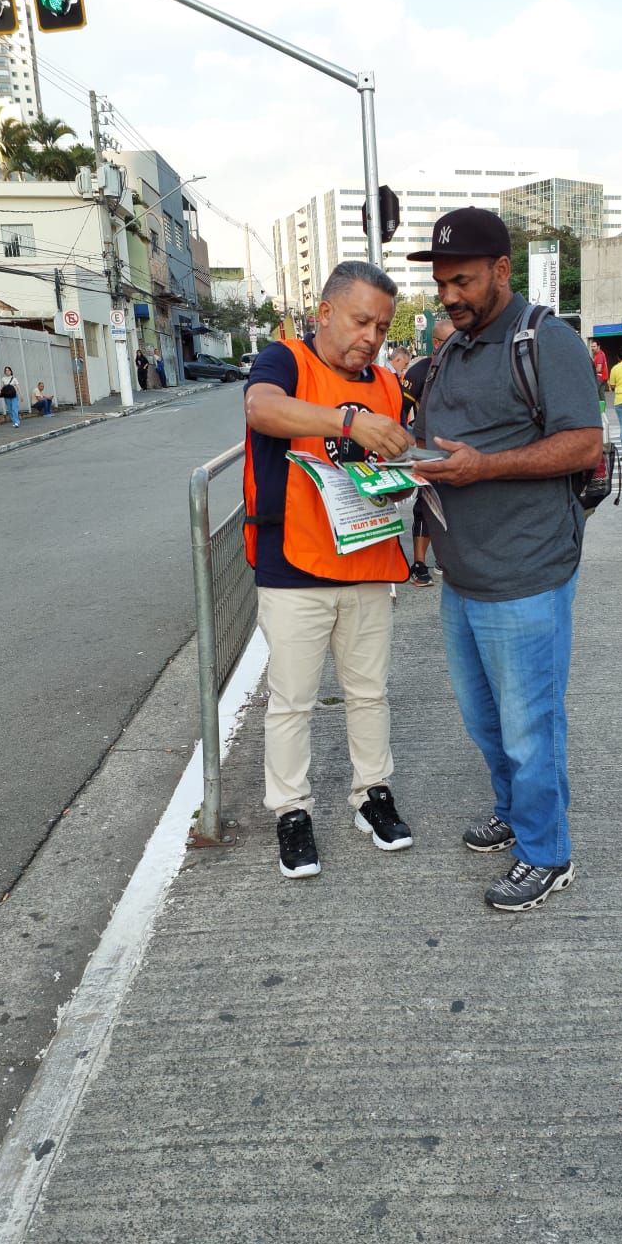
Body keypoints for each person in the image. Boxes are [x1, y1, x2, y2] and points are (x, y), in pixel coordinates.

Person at [410, 208, 602, 913]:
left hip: (525, 571)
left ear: (500, 270)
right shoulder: (453, 349)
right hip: (462, 573)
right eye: (441, 284)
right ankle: (513, 811)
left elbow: (583, 444)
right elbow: (435, 438)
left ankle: (547, 853)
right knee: (485, 721)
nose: (449, 297)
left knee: (529, 725)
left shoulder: (546, 340)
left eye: (461, 281)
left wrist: (482, 467)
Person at [243, 260, 415, 880]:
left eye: (383, 327)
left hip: (367, 559)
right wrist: (347, 420)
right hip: (294, 562)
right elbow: (263, 410)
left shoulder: (388, 384)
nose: (372, 337)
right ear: (325, 313)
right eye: (361, 321)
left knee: (369, 692)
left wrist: (400, 479)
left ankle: (373, 794)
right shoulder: (286, 361)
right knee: (293, 699)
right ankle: (291, 810)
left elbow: (391, 467)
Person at [399, 316, 456, 585]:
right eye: (451, 340)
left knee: (456, 505)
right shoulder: (420, 371)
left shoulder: (465, 366)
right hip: (426, 447)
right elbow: (398, 410)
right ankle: (419, 564)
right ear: (435, 342)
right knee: (425, 505)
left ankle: (446, 558)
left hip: (459, 449)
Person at [589, 338, 609, 412]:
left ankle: (595, 410)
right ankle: (602, 411)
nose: (592, 348)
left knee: (593, 394)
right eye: (592, 346)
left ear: (598, 346)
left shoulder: (599, 355)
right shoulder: (600, 354)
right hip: (603, 377)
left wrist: (590, 371)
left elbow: (599, 369)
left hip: (599, 378)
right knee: (601, 395)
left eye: (594, 346)